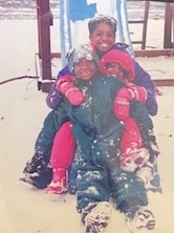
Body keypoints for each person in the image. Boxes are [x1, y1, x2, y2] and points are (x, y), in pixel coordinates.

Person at [21, 14, 159, 193]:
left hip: (116, 108)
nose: (105, 38)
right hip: (86, 105)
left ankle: (146, 151)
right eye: (99, 34)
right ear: (91, 37)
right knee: (59, 119)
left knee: (136, 112)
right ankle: (44, 164)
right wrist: (60, 90)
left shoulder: (121, 57)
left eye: (110, 34)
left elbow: (144, 82)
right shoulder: (84, 55)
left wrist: (142, 96)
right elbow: (65, 76)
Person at [56, 44, 155, 233]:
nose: (85, 67)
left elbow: (136, 106)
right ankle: (92, 211)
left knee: (125, 176)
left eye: (89, 62)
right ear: (72, 68)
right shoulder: (71, 91)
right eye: (79, 64)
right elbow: (58, 115)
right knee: (89, 176)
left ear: (97, 64)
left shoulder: (110, 82)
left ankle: (135, 209)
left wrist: (148, 133)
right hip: (87, 146)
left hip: (114, 142)